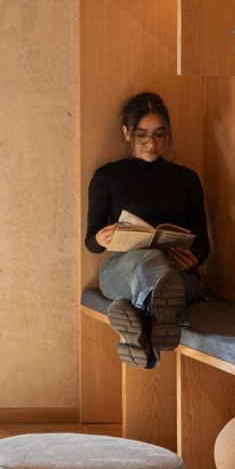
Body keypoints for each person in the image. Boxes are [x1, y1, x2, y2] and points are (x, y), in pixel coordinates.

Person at [84, 91, 210, 370]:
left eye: (159, 135)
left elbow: (203, 242)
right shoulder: (106, 177)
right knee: (148, 257)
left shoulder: (187, 179)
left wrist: (195, 258)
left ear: (168, 134)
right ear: (126, 133)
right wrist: (101, 238)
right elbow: (91, 242)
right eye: (142, 135)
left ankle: (138, 325)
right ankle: (153, 313)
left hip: (176, 279)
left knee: (162, 271)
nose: (151, 144)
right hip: (121, 272)